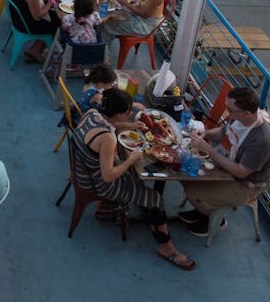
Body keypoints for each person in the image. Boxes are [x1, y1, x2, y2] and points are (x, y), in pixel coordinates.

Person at [73, 90, 195, 269]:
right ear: (118, 112)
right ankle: (166, 248)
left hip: (82, 169)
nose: (129, 114)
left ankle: (142, 207)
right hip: (96, 182)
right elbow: (108, 177)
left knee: (137, 175)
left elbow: (111, 125)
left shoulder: (92, 113)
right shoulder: (107, 138)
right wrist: (131, 160)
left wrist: (130, 126)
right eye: (127, 111)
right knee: (155, 198)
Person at [179, 86, 270, 237]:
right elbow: (224, 131)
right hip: (231, 166)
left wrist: (209, 150)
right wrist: (206, 134)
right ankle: (202, 209)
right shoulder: (240, 118)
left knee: (193, 190)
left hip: (247, 184)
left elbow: (241, 172)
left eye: (230, 110)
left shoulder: (262, 140)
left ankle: (215, 219)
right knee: (184, 173)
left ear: (247, 113)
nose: (228, 113)